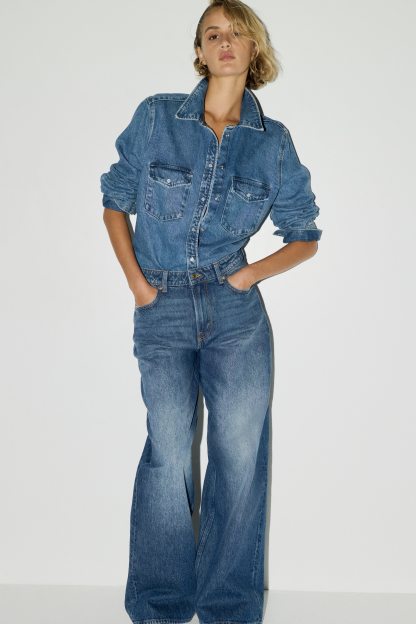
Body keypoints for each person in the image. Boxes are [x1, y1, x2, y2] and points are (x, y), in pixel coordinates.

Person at [100, 1, 322, 623]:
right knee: (168, 452)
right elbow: (115, 201)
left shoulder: (273, 143)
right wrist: (140, 287)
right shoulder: (156, 116)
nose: (225, 42)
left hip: (235, 317)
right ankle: (160, 605)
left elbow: (305, 235)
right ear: (199, 51)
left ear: (254, 50)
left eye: (237, 34)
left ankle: (227, 607)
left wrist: (247, 275)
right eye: (213, 34)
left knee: (240, 458)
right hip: (162, 305)